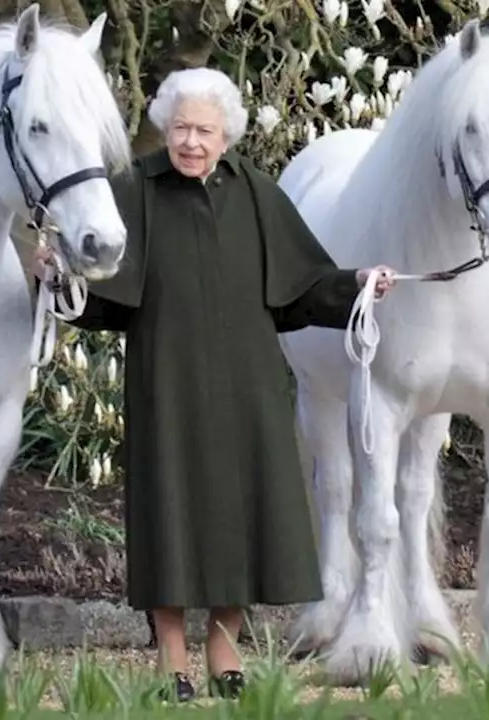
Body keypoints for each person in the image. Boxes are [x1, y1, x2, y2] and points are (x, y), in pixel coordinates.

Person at [32, 67, 396, 702]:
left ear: (226, 134)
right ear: (163, 131)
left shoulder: (255, 192)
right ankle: (171, 650)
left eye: (203, 130)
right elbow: (102, 297)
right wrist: (56, 276)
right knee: (169, 511)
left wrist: (360, 283)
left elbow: (301, 288)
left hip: (247, 383)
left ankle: (224, 640)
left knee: (243, 513)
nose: (191, 142)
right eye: (179, 129)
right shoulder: (135, 191)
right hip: (165, 381)